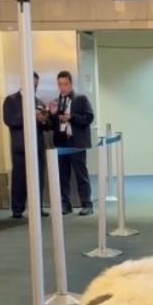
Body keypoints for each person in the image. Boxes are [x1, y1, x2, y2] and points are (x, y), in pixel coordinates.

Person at [2, 72, 50, 219]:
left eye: (36, 85)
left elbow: (47, 126)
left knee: (38, 178)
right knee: (19, 178)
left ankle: (37, 207)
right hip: (20, 146)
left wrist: (44, 120)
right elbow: (10, 120)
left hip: (37, 146)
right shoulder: (11, 100)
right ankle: (18, 209)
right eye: (32, 85)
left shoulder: (39, 102)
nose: (34, 88)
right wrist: (31, 116)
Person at [49, 70, 95, 215]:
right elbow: (52, 125)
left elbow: (89, 117)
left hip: (77, 143)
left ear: (71, 84)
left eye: (65, 84)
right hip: (62, 143)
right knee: (63, 175)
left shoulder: (81, 99)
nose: (63, 87)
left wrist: (72, 117)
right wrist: (53, 115)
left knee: (81, 174)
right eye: (60, 84)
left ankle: (87, 204)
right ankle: (65, 204)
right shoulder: (55, 102)